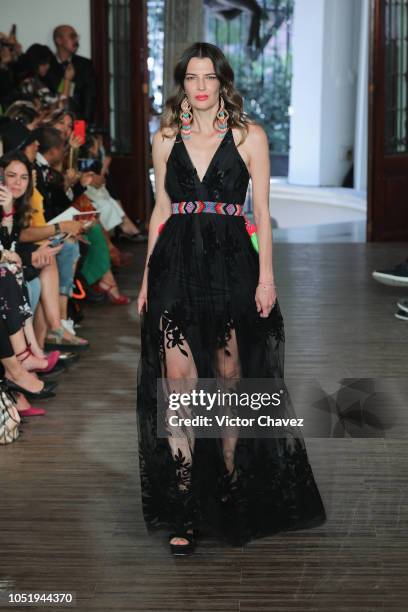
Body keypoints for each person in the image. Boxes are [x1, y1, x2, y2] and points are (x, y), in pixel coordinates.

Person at [136, 43, 326, 555]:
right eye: (191, 77)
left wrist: (268, 279)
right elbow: (160, 209)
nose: (200, 85)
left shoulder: (249, 136)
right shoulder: (164, 138)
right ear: (182, 83)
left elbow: (262, 213)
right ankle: (183, 502)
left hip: (231, 264)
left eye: (209, 76)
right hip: (175, 262)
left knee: (228, 380)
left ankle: (227, 484)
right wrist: (147, 278)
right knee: (178, 382)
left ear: (222, 81)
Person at [45, 25, 96, 122]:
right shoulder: (47, 66)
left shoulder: (85, 64)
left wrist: (85, 123)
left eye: (77, 37)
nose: (76, 40)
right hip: (53, 123)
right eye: (72, 36)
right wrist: (66, 79)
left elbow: (90, 96)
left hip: (78, 121)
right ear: (59, 40)